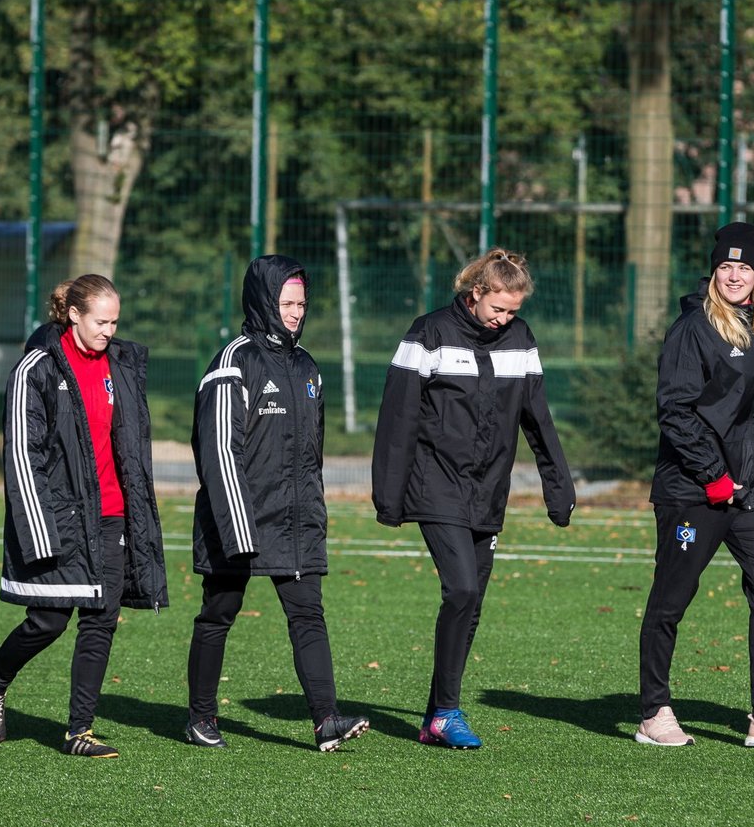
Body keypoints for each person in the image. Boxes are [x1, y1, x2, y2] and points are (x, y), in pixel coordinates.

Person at [372, 247, 576, 750]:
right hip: (435, 484)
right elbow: (398, 418)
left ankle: (436, 716)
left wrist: (559, 487)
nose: (504, 319)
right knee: (461, 591)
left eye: (512, 311)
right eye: (497, 309)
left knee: (473, 603)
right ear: (474, 293)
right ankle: (445, 711)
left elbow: (538, 421)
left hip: (489, 491)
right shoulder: (429, 333)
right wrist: (389, 497)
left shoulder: (521, 340)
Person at [637, 221, 754, 749]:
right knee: (672, 598)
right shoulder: (692, 328)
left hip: (753, 493)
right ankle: (654, 712)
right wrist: (712, 474)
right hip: (693, 490)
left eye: (744, 267)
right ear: (714, 272)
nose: (735, 275)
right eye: (726, 266)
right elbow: (675, 410)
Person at [0, 274, 167, 758]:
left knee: (101, 620)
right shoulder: (36, 369)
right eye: (100, 320)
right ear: (73, 314)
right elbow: (23, 452)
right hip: (60, 516)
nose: (108, 330)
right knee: (48, 621)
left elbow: (128, 446)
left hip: (113, 516)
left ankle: (78, 730)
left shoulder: (119, 364)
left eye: (115, 321)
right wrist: (38, 528)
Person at [187, 255, 369, 751]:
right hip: (237, 520)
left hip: (294, 522)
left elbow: (312, 454)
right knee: (218, 613)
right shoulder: (233, 363)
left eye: (302, 303)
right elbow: (219, 450)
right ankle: (201, 717)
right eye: (287, 302)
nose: (295, 312)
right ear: (264, 300)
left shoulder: (307, 365)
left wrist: (313, 514)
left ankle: (325, 719)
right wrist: (238, 528)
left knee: (308, 611)